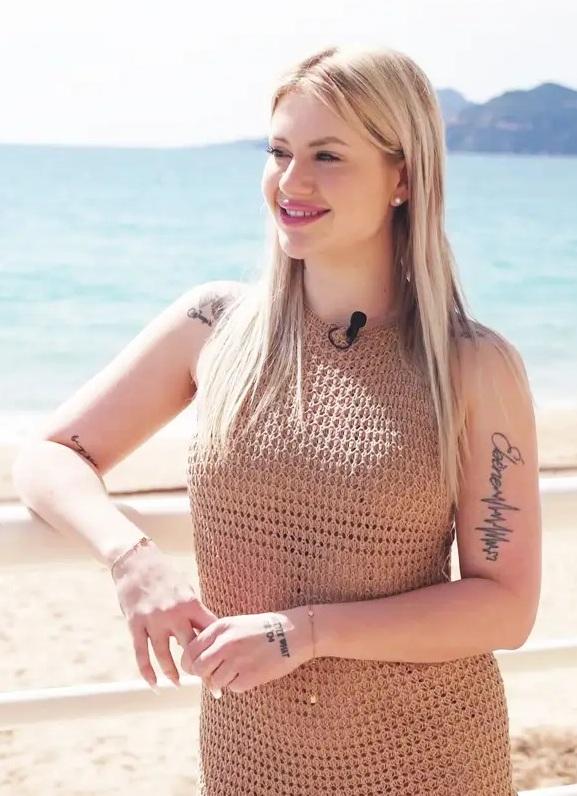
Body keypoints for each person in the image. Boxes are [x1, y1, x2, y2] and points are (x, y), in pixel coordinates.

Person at [12, 44, 540, 795]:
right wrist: (132, 560)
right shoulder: (213, 327)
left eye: (328, 155)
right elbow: (48, 456)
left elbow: (505, 607)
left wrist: (306, 633)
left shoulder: (470, 365)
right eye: (279, 151)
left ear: (403, 177)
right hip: (250, 760)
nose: (291, 181)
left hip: (430, 760)